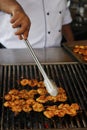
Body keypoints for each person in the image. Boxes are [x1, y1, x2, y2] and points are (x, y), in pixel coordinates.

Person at [0, 0, 74, 48]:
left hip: (55, 52)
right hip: (14, 52)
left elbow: (64, 21)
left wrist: (72, 46)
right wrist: (16, 9)